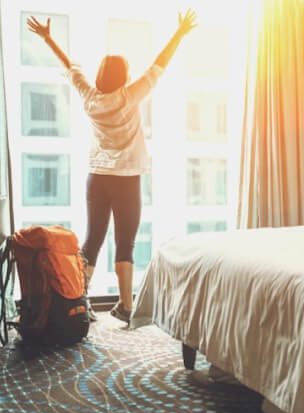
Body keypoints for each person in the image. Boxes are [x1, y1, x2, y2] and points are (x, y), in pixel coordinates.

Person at [27, 10, 197, 322]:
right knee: (125, 243)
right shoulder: (130, 96)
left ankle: (79, 303)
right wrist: (179, 33)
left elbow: (70, 67)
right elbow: (158, 65)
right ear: (124, 76)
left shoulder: (90, 98)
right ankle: (126, 306)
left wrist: (49, 39)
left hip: (97, 177)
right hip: (126, 179)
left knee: (93, 240)